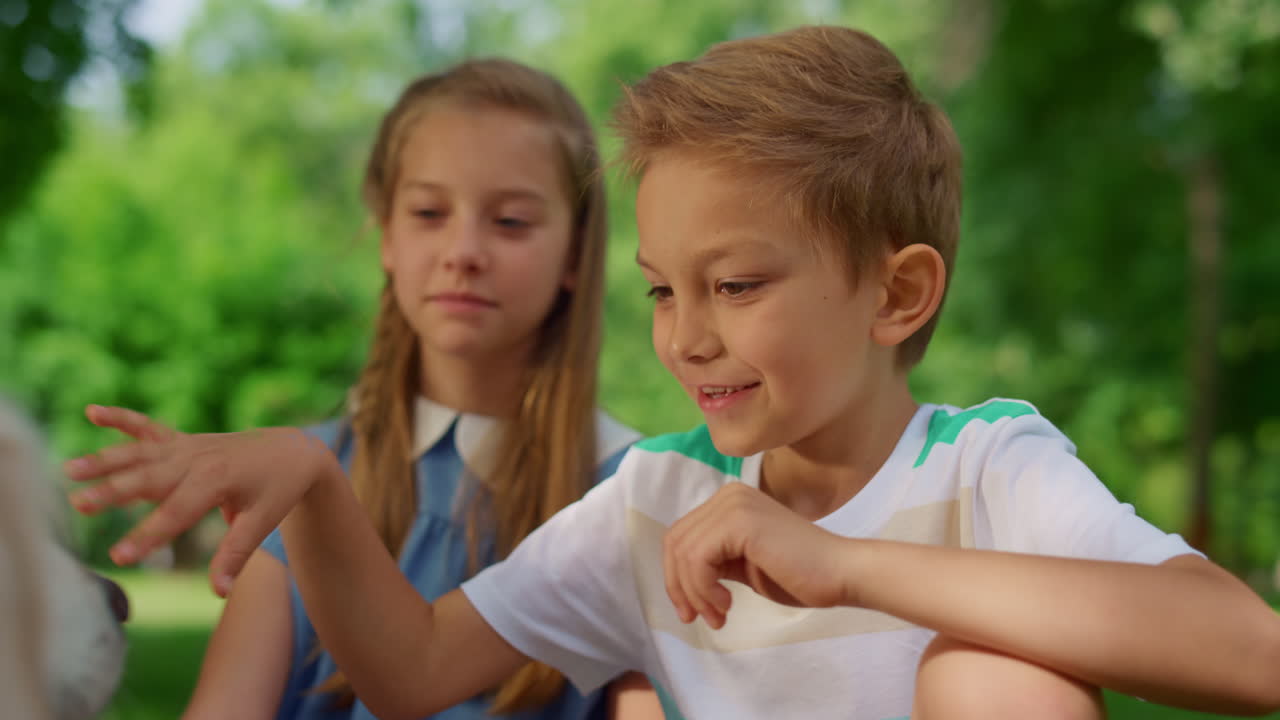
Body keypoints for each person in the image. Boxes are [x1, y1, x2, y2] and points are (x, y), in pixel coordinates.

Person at [66, 26, 1280, 720]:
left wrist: (847, 564)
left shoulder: (985, 464)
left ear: (895, 293)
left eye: (736, 285)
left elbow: (1249, 652)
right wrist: (315, 490)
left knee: (996, 680)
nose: (686, 336)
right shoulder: (656, 501)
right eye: (661, 288)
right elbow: (412, 671)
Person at [139, 58, 663, 720]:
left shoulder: (640, 497)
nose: (463, 250)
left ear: (575, 253)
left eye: (511, 222)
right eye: (428, 212)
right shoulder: (298, 475)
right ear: (385, 233)